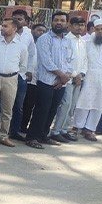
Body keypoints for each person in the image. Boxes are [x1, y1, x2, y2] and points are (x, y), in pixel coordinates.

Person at [25, 12, 75, 150]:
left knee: (52, 110)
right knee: (42, 110)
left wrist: (65, 77)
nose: (59, 22)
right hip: (46, 81)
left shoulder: (68, 41)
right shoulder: (44, 39)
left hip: (61, 82)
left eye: (62, 20)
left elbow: (71, 61)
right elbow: (46, 61)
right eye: (56, 20)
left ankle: (43, 135)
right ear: (51, 22)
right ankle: (32, 137)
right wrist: (61, 75)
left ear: (66, 23)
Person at [0, 9, 37, 142]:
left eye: (5, 26)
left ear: (14, 28)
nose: (2, 28)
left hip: (12, 79)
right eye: (2, 25)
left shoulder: (22, 46)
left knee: (8, 109)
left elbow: (23, 63)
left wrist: (18, 74)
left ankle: (3, 135)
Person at [49, 17, 88, 142]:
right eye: (76, 25)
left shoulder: (83, 42)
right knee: (65, 105)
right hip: (67, 79)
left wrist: (81, 75)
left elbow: (85, 60)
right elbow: (65, 61)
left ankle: (64, 130)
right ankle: (55, 131)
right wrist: (74, 75)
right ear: (69, 26)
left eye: (82, 25)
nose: (79, 27)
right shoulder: (66, 40)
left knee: (72, 106)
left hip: (79, 79)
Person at [73, 19, 102, 141]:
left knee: (99, 104)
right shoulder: (86, 42)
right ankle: (76, 127)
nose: (100, 31)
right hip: (88, 77)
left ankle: (90, 129)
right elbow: (82, 59)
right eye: (97, 29)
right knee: (83, 102)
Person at [20, 23, 48, 134]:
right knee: (21, 104)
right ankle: (16, 127)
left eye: (43, 31)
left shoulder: (44, 44)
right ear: (32, 30)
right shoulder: (28, 41)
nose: (41, 33)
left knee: (30, 105)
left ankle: (23, 127)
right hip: (25, 77)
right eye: (39, 30)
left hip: (37, 80)